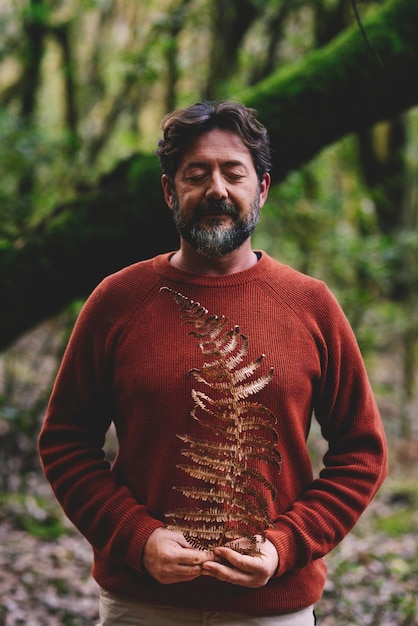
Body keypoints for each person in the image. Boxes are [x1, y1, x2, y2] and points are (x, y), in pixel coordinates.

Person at [38, 101, 388, 625]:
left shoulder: (312, 305)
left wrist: (285, 545)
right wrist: (138, 538)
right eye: (196, 175)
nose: (216, 191)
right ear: (168, 190)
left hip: (274, 611)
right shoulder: (117, 300)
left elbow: (362, 452)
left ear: (262, 189)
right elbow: (65, 442)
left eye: (233, 173)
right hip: (141, 606)